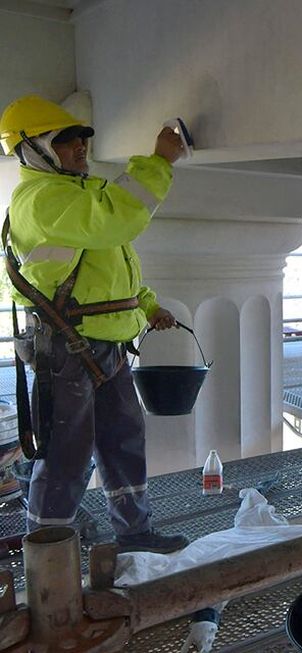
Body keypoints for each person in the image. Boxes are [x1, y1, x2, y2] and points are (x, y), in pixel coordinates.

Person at [0, 94, 189, 553]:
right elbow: (116, 221)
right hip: (67, 350)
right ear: (33, 149)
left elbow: (109, 268)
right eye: (65, 140)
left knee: (123, 441)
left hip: (102, 345)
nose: (80, 147)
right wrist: (160, 160)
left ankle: (135, 535)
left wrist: (147, 306)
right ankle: (49, 553)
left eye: (82, 137)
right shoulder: (42, 200)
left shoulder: (77, 195)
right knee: (66, 453)